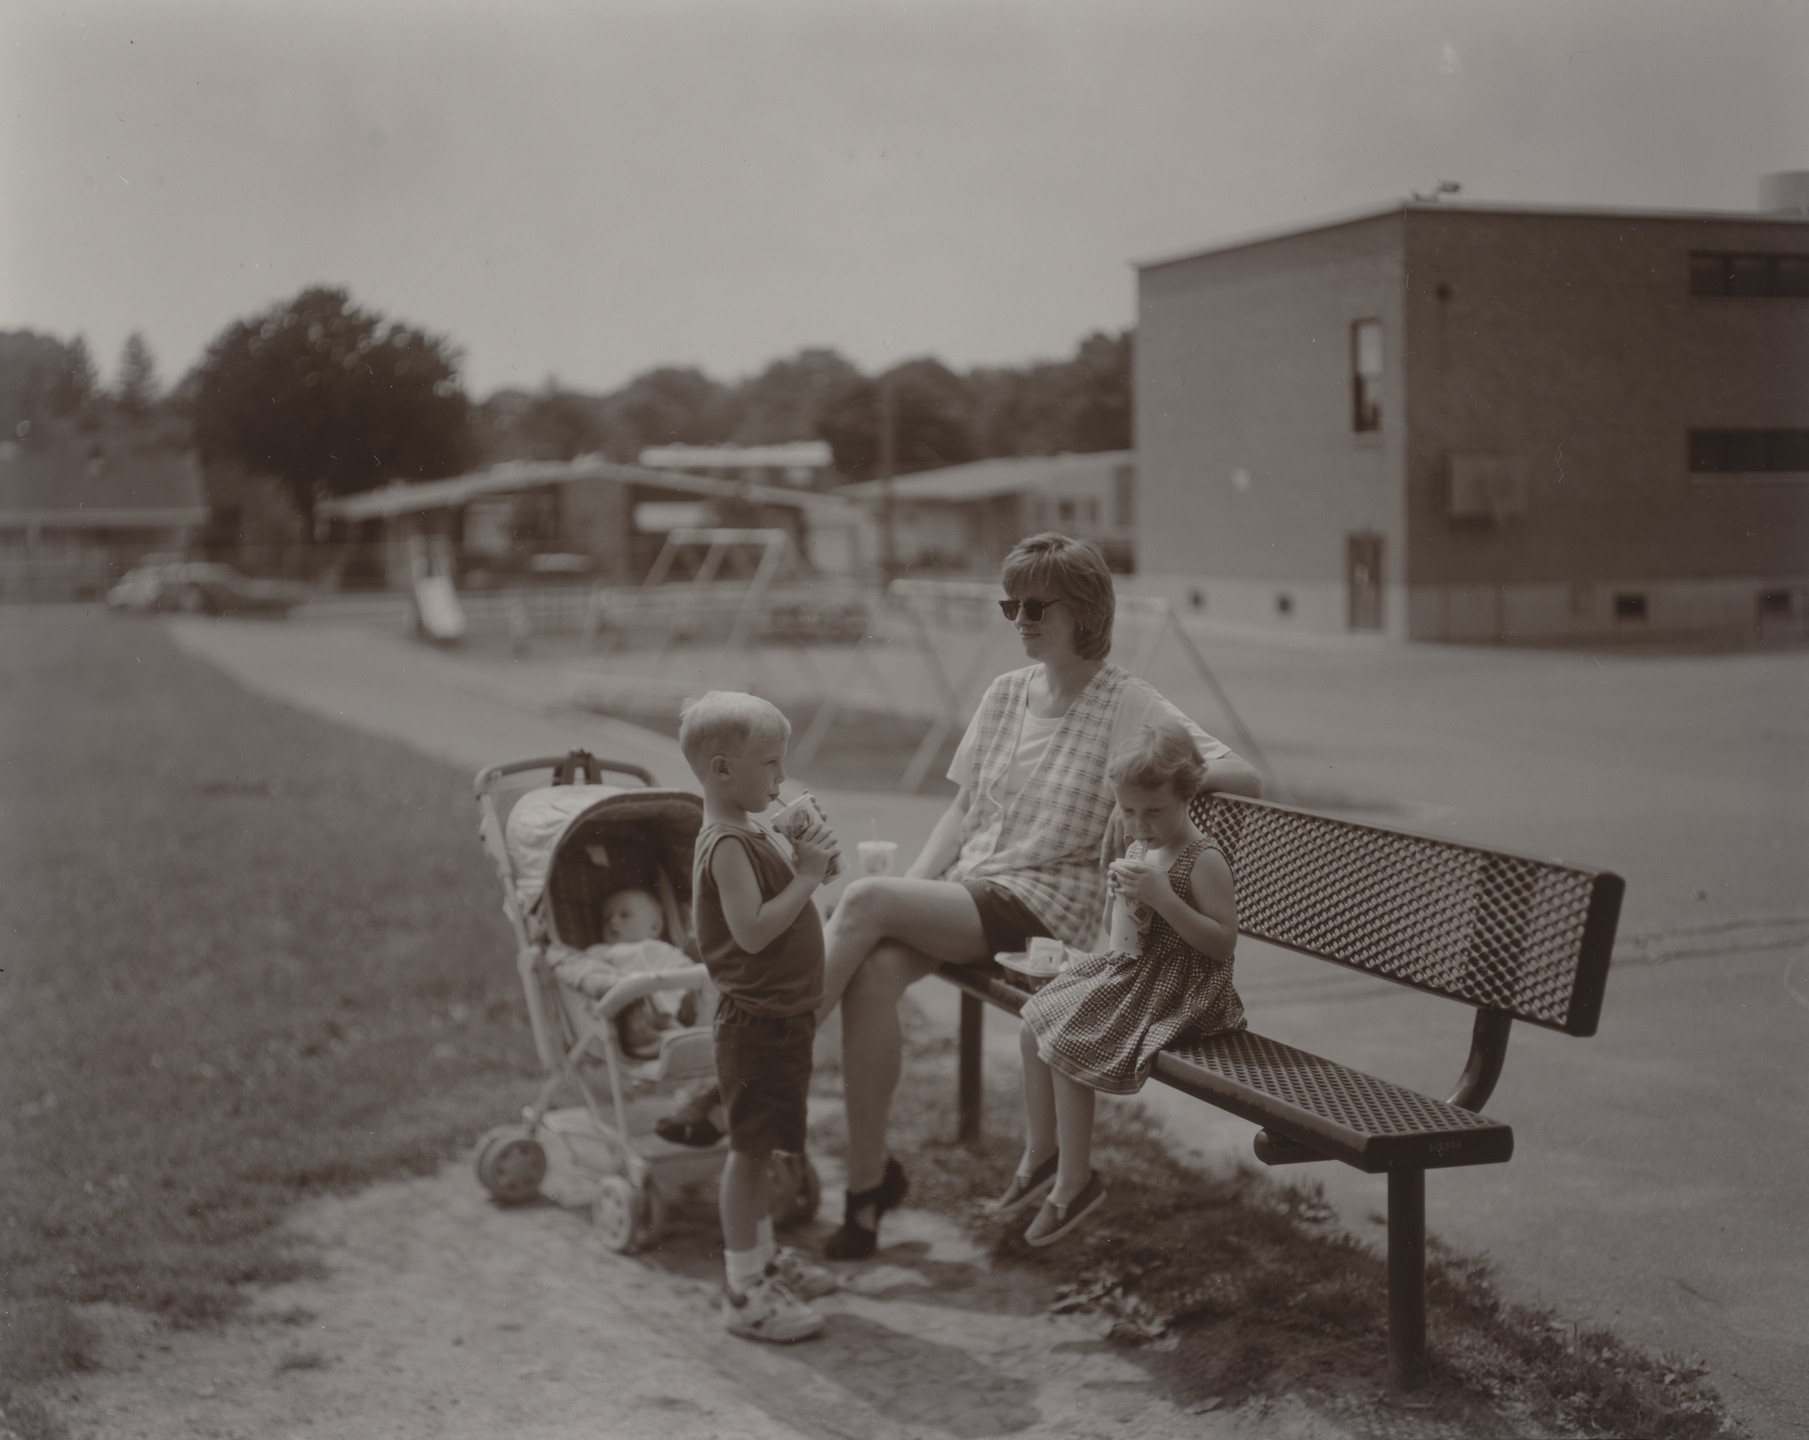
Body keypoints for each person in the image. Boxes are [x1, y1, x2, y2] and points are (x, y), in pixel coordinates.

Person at [814, 532, 1262, 1260]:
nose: (1018, 619)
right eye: (1008, 604)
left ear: (1083, 610)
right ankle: (866, 1192)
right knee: (872, 972)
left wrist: (1154, 796)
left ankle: (755, 1053)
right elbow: (962, 814)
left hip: (1047, 906)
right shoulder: (1003, 694)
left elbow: (1242, 775)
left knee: (863, 901)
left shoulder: (1129, 702)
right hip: (979, 890)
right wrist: (917, 889)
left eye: (1033, 606)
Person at [995, 718, 1246, 1245]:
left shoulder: (1204, 859)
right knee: (1031, 1024)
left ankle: (1075, 1183)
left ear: (1186, 794)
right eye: (1128, 811)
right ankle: (1042, 1154)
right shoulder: (1139, 848)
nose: (1139, 825)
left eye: (1153, 812)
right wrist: (1120, 897)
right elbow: (1120, 934)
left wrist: (1163, 899)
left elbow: (1223, 943)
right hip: (1138, 972)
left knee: (1067, 1041)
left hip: (1188, 989)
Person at [681, 690, 842, 1343]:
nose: (780, 780)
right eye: (770, 765)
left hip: (783, 1017)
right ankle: (743, 1290)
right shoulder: (723, 841)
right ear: (723, 770)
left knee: (762, 1145)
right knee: (747, 1154)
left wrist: (815, 866)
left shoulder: (753, 829)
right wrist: (804, 877)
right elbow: (750, 933)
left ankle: (764, 1260)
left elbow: (792, 901)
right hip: (755, 1023)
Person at [548, 886, 698, 1059]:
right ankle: (664, 1035)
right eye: (606, 919)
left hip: (679, 1004)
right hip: (639, 1010)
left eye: (624, 915)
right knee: (632, 999)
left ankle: (691, 1029)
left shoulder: (664, 950)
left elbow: (685, 967)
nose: (613, 921)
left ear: (655, 927)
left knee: (700, 986)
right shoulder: (602, 951)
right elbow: (591, 970)